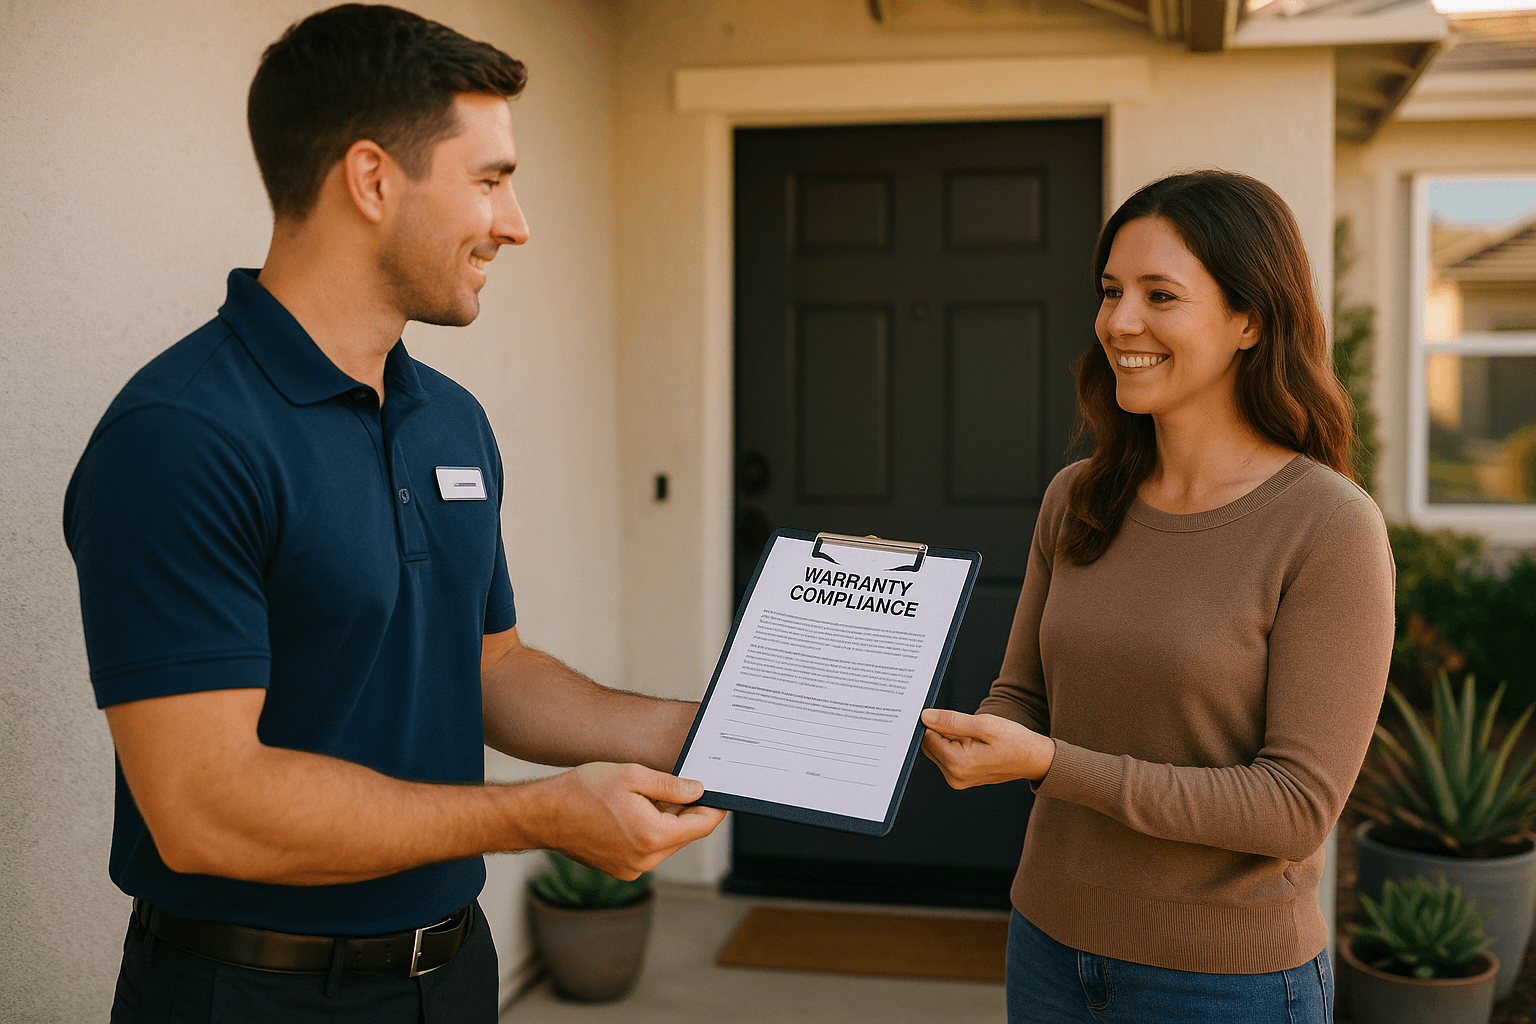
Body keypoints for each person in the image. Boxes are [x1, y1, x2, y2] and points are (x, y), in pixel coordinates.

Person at [62, 6, 723, 1022]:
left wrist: (720, 733)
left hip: (452, 977)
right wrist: (537, 814)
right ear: (372, 179)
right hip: (250, 992)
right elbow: (204, 810)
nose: (517, 222)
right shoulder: (181, 435)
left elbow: (490, 666)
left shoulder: (449, 419)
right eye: (491, 179)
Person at [920, 170, 1395, 1023]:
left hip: (1225, 984)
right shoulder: (1077, 496)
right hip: (1047, 946)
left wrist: (1049, 765)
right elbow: (1022, 700)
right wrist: (896, 715)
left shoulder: (1329, 526)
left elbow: (1295, 808)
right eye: (1110, 292)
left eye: (1159, 295)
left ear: (1250, 319)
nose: (1119, 322)